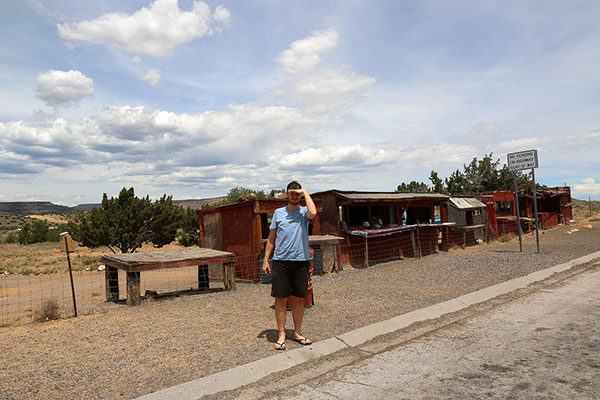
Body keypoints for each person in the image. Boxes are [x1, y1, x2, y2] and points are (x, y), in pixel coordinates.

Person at [262, 181, 317, 350]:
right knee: (281, 299)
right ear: (287, 194)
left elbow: (313, 212)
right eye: (292, 193)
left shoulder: (303, 213)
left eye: (297, 194)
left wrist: (305, 191)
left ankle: (297, 333)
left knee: (300, 299)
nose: (294, 196)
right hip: (281, 261)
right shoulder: (278, 213)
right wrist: (266, 260)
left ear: (300, 195)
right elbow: (272, 238)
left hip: (301, 261)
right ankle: (281, 334)